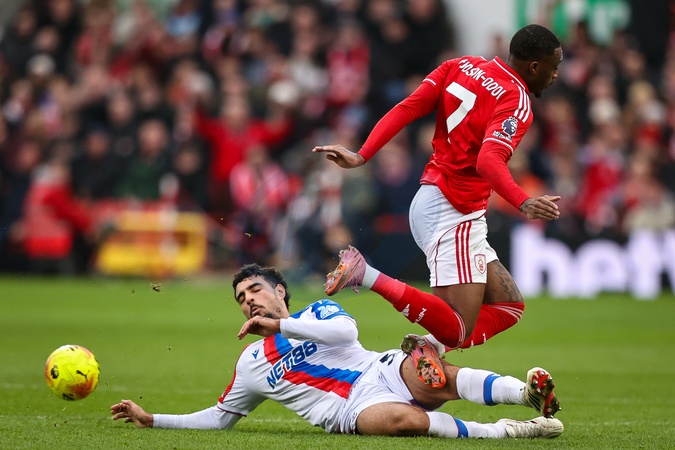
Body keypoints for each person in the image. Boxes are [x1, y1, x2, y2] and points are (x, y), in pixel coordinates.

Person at [313, 24, 564, 373]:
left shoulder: (460, 65)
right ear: (534, 66)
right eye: (554, 67)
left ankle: (429, 348)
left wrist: (362, 153)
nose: (555, 75)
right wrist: (523, 201)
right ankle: (366, 274)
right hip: (454, 209)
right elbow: (488, 160)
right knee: (457, 328)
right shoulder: (516, 100)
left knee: (509, 306)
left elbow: (408, 107)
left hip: (435, 198)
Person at [111, 263, 563, 439]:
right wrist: (153, 419)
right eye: (241, 299)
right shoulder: (251, 362)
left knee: (435, 376)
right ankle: (506, 431)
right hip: (352, 411)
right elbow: (219, 418)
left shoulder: (319, 311)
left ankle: (524, 393)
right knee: (401, 420)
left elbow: (347, 334)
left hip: (381, 370)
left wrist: (281, 325)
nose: (248, 300)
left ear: (280, 291)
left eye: (255, 290)